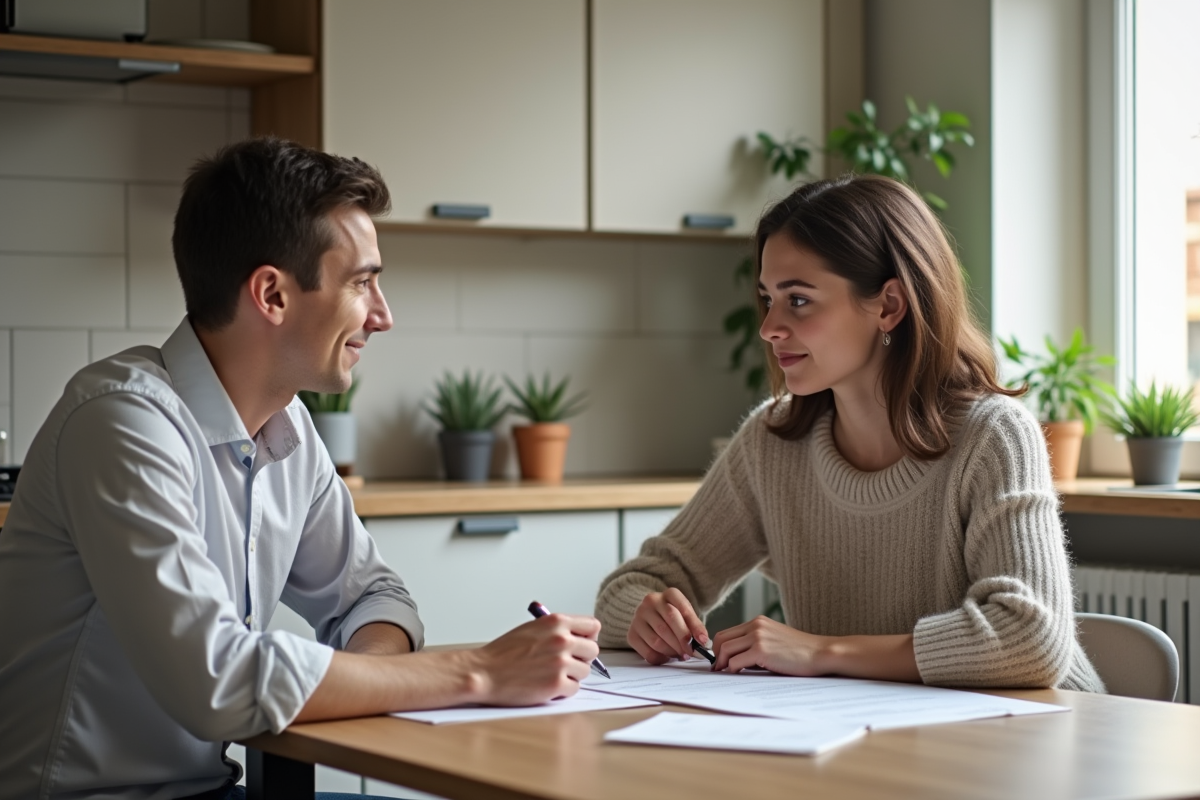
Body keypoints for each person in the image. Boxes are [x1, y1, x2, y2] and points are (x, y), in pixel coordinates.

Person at [0, 137, 601, 800]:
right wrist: (479, 671)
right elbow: (219, 682)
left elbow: (376, 599)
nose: (383, 315)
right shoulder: (124, 425)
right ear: (273, 295)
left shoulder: (288, 432)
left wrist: (368, 677)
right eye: (362, 282)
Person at [594, 174, 1104, 692]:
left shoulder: (993, 436)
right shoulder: (771, 444)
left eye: (798, 300)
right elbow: (632, 586)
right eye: (767, 298)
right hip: (879, 735)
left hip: (1045, 740)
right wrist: (647, 613)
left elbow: (1032, 641)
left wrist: (820, 652)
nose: (769, 326)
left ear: (888, 306)